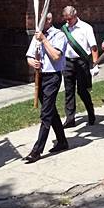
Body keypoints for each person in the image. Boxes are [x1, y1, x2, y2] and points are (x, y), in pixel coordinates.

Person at [25, 13, 69, 162]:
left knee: (46, 114)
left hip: (53, 77)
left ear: (49, 20)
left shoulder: (59, 35)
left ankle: (37, 151)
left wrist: (44, 40)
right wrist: (33, 63)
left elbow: (56, 56)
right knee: (50, 111)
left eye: (42, 20)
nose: (39, 23)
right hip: (40, 77)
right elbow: (29, 56)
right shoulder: (37, 36)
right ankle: (62, 141)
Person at [61, 6, 99, 127]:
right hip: (68, 62)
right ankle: (70, 119)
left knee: (82, 91)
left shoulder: (86, 27)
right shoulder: (64, 29)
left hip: (81, 62)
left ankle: (91, 113)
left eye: (70, 18)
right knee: (69, 91)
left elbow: (93, 47)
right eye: (66, 19)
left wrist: (95, 64)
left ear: (75, 15)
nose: (68, 21)